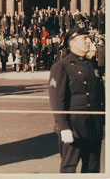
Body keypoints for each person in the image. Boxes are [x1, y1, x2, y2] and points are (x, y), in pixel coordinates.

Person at [48, 27, 105, 173]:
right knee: (69, 168)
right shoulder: (61, 66)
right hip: (74, 127)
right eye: (84, 39)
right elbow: (57, 101)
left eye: (88, 38)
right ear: (72, 43)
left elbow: (99, 96)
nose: (88, 42)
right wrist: (63, 127)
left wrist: (102, 121)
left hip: (93, 126)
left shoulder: (91, 65)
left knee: (92, 168)